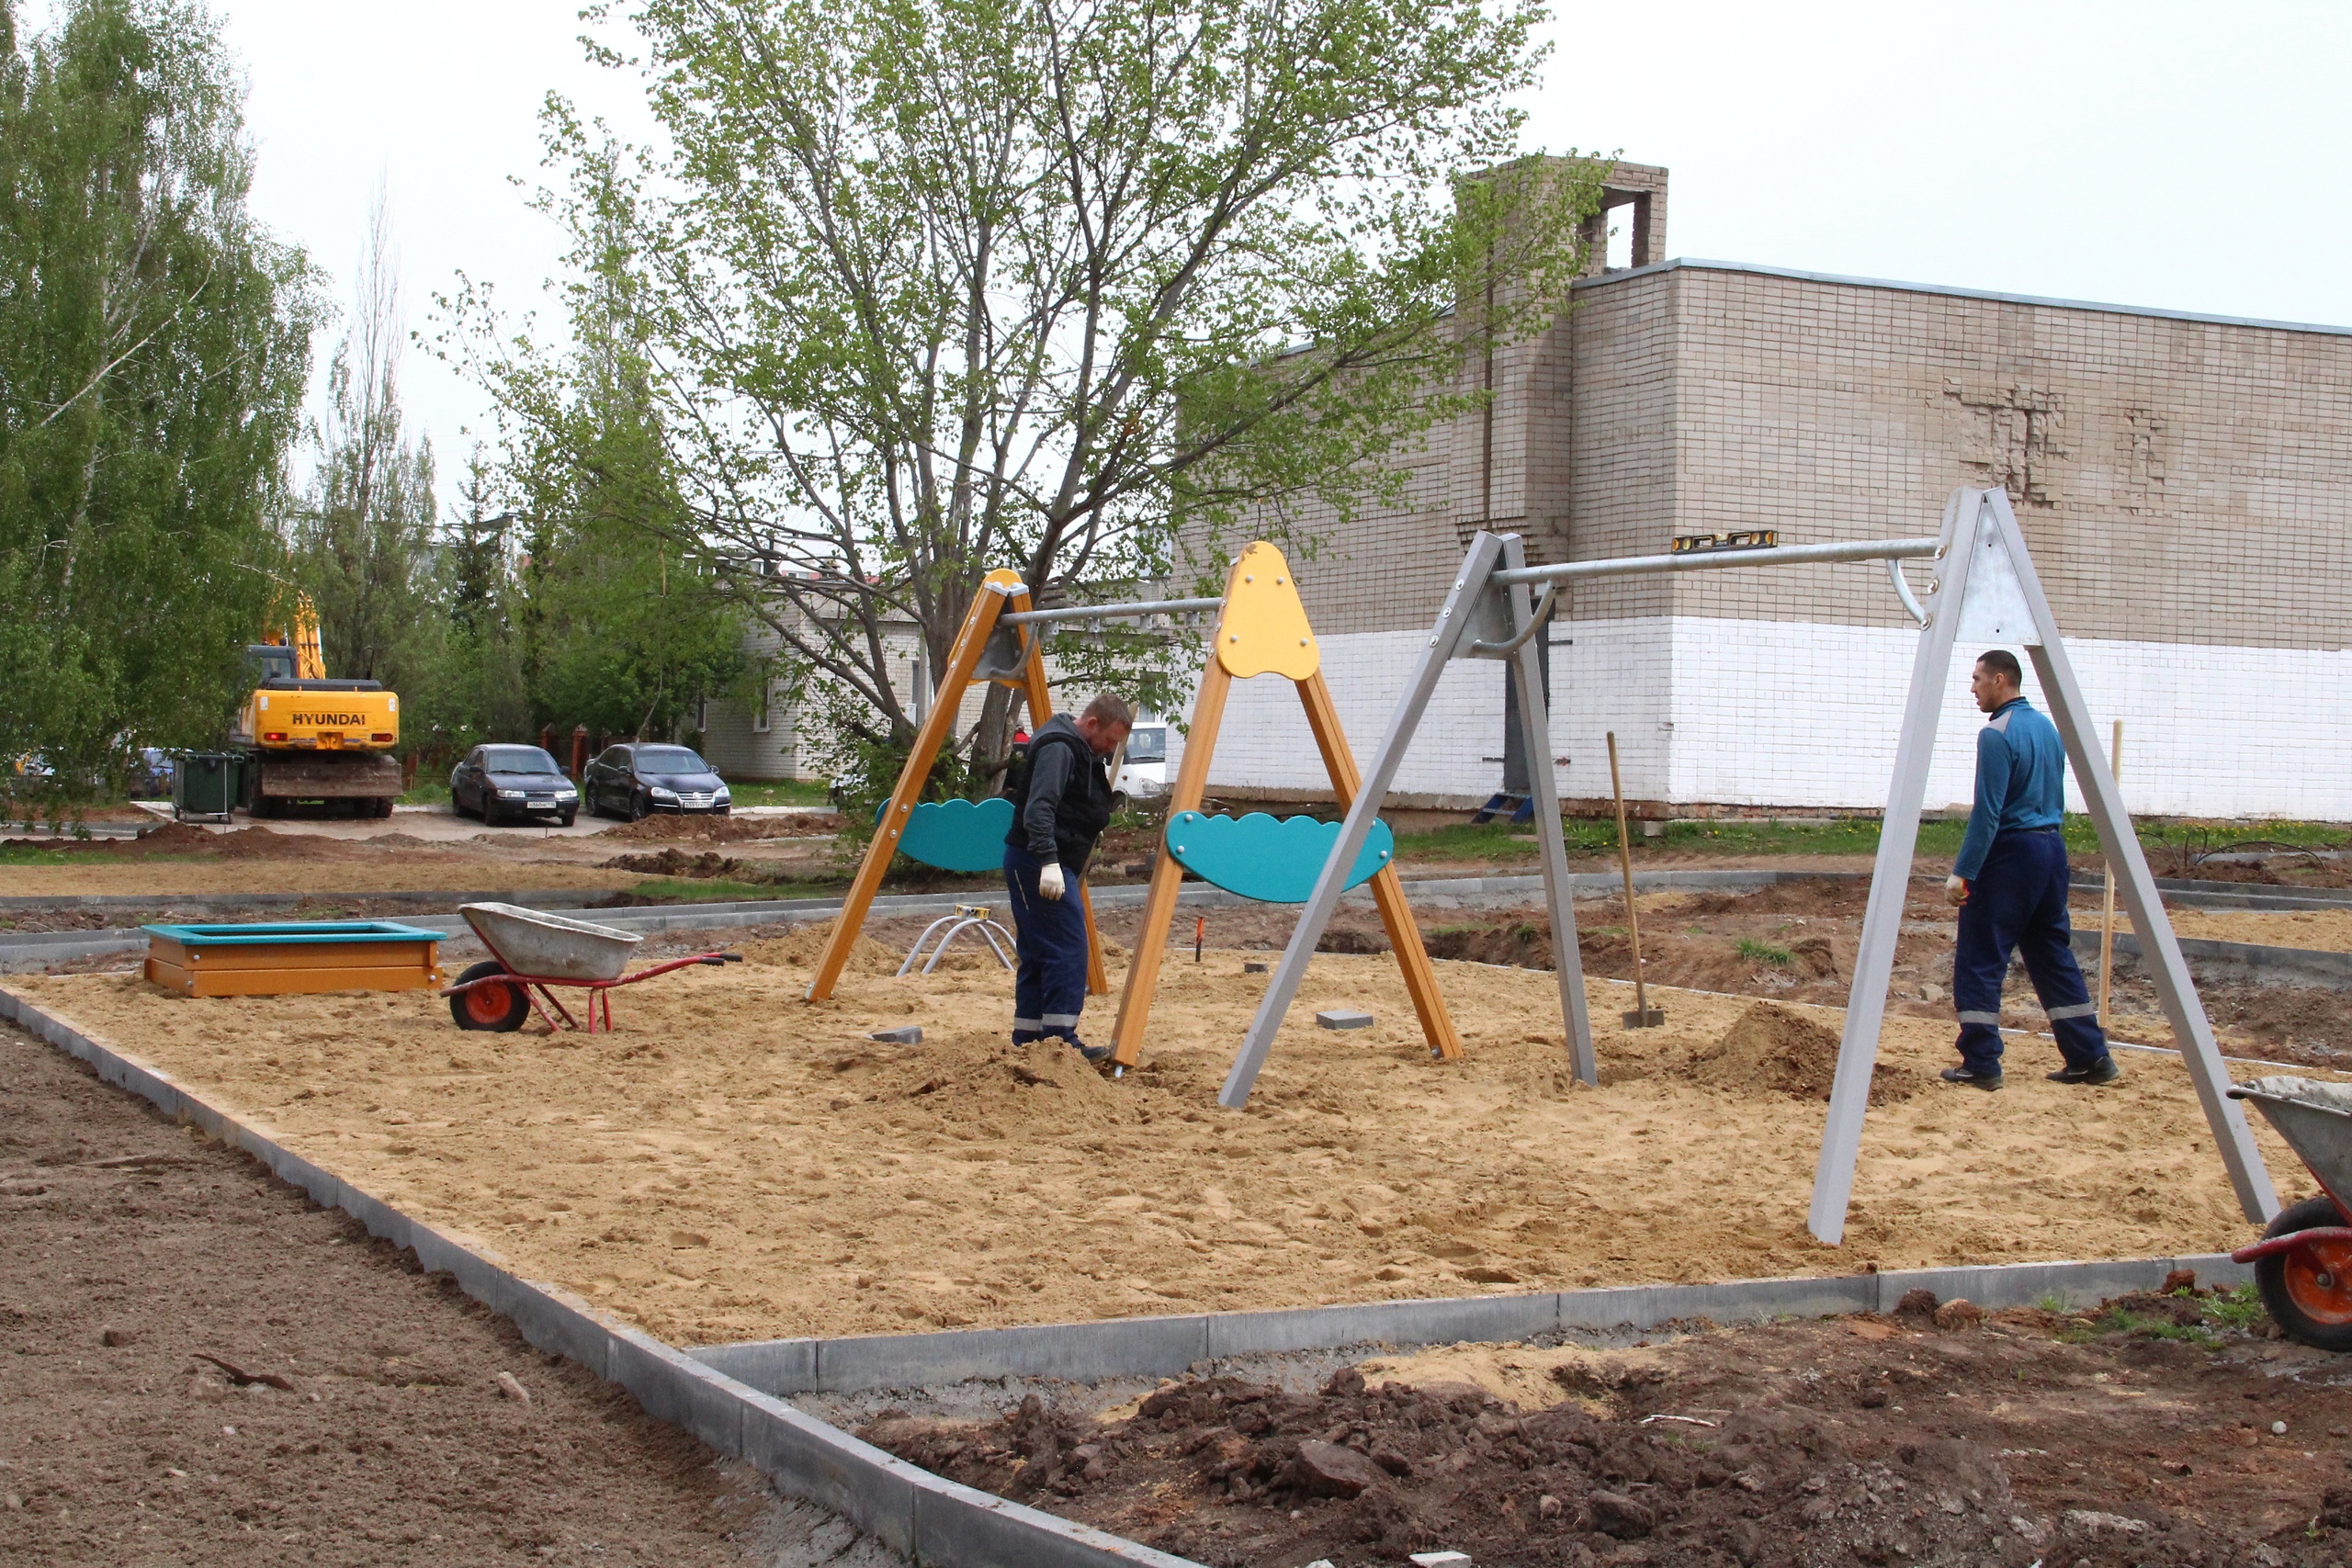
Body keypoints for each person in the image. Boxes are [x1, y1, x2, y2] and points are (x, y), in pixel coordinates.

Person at [1939, 649, 2120, 1091]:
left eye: (1978, 679)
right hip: (2051, 851)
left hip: (2011, 855)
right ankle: (2089, 1056)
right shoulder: (2047, 729)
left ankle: (1981, 1062)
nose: (1972, 688)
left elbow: (1988, 813)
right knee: (2051, 954)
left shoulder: (1996, 734)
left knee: (1981, 956)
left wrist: (1963, 872)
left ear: (2001, 680)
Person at [1002, 693, 1132, 1061]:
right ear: (1092, 724)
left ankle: (1028, 1040)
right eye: (1109, 740)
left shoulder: (1077, 747)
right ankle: (1060, 1043)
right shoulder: (1060, 748)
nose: (1109, 749)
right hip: (1037, 862)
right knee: (1067, 949)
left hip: (1045, 861)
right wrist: (1048, 861)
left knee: (1040, 952)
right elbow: (1039, 807)